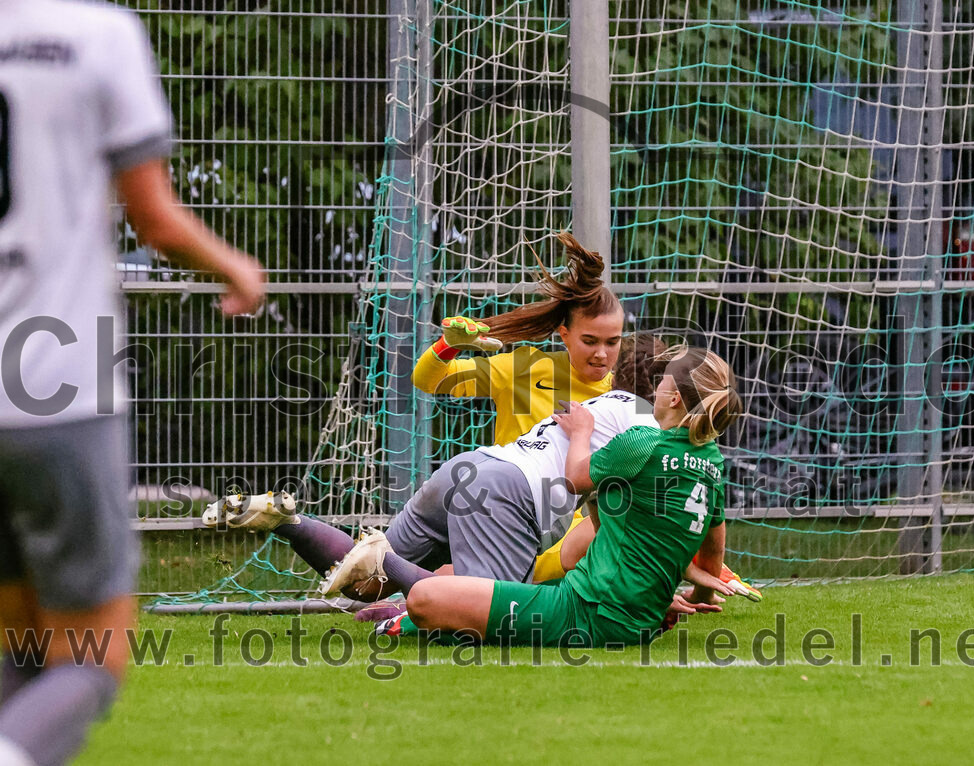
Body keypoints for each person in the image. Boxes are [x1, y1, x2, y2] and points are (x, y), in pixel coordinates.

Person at [0, 3, 264, 764]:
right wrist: (235, 268)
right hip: (57, 387)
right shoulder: (97, 35)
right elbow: (155, 218)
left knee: (18, 647)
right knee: (88, 656)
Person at [307, 345, 743, 646]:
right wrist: (686, 597)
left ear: (670, 394)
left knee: (427, 601)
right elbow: (712, 556)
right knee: (426, 599)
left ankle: (378, 559)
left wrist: (582, 433)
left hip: (580, 609)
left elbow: (575, 492)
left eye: (664, 379)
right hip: (638, 623)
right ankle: (391, 593)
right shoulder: (713, 465)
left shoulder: (642, 442)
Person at [412, 231, 623, 583]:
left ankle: (438, 590)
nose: (602, 353)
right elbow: (429, 380)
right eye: (590, 341)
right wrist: (448, 346)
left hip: (579, 536)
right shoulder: (525, 369)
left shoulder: (626, 394)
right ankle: (436, 591)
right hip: (514, 521)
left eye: (612, 342)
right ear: (564, 334)